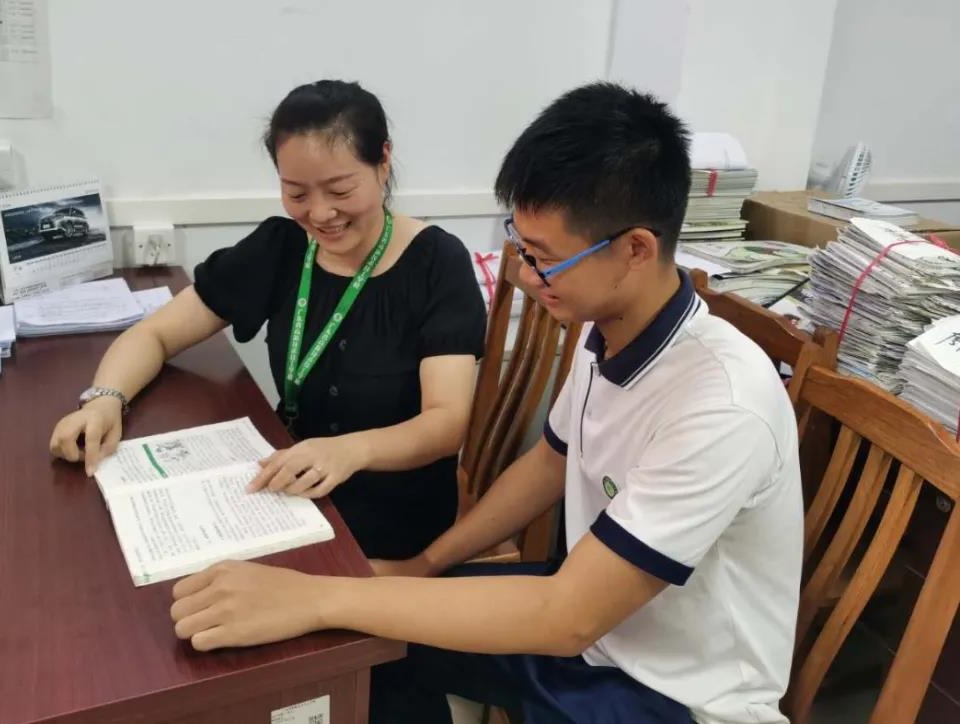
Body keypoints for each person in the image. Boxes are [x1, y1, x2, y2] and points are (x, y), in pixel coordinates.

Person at [168, 82, 804, 723]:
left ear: (635, 249)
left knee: (343, 623)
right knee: (365, 642)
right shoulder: (608, 330)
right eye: (521, 246)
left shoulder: (722, 405)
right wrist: (423, 565)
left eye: (545, 258)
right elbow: (548, 464)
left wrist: (316, 597)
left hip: (670, 694)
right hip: (595, 632)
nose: (526, 274)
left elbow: (565, 618)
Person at [49, 80, 487, 561]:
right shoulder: (281, 248)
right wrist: (105, 401)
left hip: (392, 514)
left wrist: (348, 451)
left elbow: (446, 422)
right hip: (287, 489)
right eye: (296, 193)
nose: (320, 214)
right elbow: (155, 333)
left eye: (340, 190)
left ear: (383, 161)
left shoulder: (435, 263)